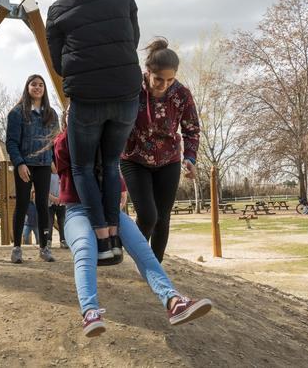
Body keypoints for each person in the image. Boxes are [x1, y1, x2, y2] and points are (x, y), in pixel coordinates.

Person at [54, 122, 211, 337]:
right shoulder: (62, 141)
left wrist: (121, 187)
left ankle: (173, 301)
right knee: (84, 246)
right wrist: (76, 126)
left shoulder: (106, 140)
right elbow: (67, 160)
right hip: (77, 211)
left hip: (109, 212)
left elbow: (113, 169)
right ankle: (90, 312)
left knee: (141, 246)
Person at [46, 0, 142, 262]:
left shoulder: (58, 9)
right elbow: (133, 37)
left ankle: (102, 241)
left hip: (87, 98)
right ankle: (115, 235)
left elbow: (58, 64)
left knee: (83, 167)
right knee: (111, 164)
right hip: (126, 93)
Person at [120, 38, 200, 263]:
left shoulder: (181, 94)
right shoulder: (131, 87)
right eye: (158, 79)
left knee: (163, 218)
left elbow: (191, 129)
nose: (164, 85)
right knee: (148, 216)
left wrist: (190, 158)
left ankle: (155, 268)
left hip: (168, 161)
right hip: (134, 159)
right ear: (148, 72)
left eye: (170, 80)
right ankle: (140, 259)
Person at [6, 74, 59, 263]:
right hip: (25, 165)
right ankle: (17, 248)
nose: (37, 87)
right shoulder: (17, 113)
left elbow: (55, 141)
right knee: (21, 204)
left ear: (44, 89)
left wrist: (54, 160)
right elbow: (11, 142)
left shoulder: (51, 114)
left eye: (41, 85)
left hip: (44, 165)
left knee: (43, 205)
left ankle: (44, 247)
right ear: (27, 87)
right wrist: (19, 163)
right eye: (33, 84)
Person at [48, 162, 67, 249]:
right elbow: (44, 190)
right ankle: (48, 240)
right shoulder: (48, 176)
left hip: (61, 203)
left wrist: (60, 198)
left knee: (62, 222)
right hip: (50, 203)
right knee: (49, 222)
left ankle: (63, 240)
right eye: (53, 164)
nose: (55, 166)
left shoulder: (63, 175)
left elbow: (66, 189)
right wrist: (53, 198)